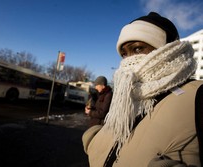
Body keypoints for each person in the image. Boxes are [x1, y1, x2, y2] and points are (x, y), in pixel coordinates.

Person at [82, 12, 203, 167]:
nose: (129, 60)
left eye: (138, 49)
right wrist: (94, 141)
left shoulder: (197, 95)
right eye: (124, 54)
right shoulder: (127, 94)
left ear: (167, 50)